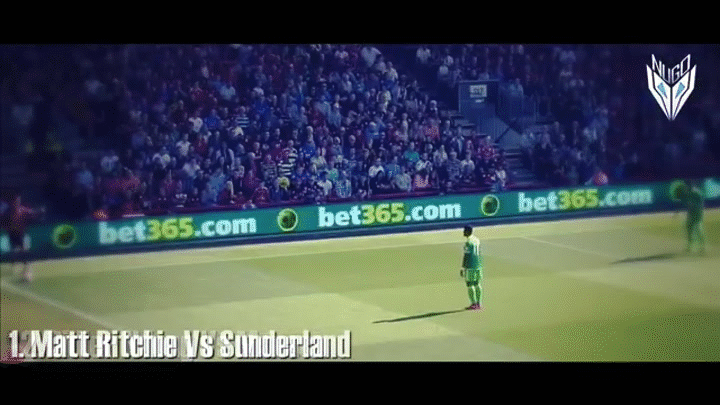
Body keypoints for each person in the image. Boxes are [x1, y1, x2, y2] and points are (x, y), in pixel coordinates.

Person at [3, 195, 43, 282]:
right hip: (12, 234)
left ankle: (27, 272)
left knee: (24, 252)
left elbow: (31, 213)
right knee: (14, 252)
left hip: (20, 234)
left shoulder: (22, 210)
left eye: (18, 201)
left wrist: (39, 211)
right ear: (12, 202)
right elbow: (4, 221)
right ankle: (15, 266)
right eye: (15, 201)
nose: (16, 203)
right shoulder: (8, 212)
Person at [678, 179, 706, 254]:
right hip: (691, 213)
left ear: (689, 185)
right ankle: (689, 246)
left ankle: (702, 247)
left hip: (697, 212)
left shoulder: (696, 192)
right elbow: (687, 203)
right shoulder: (688, 192)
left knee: (698, 228)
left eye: (686, 186)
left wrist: (695, 209)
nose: (685, 187)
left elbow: (700, 203)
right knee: (689, 228)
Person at [460, 225, 483, 310]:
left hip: (470, 265)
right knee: (477, 283)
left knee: (470, 284)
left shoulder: (468, 242)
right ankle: (479, 303)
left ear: (467, 232)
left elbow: (466, 255)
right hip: (478, 264)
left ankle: (473, 303)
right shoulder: (477, 240)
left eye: (464, 231)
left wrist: (463, 267)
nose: (463, 232)